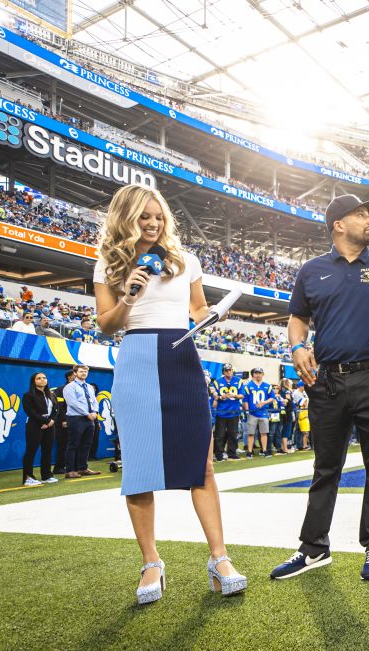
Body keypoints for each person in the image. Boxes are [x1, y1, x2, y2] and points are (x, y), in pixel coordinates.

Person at [91, 183, 245, 605]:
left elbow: (195, 309)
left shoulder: (186, 260)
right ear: (126, 218)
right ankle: (151, 563)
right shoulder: (108, 261)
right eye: (145, 217)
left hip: (182, 357)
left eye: (159, 217)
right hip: (136, 356)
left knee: (203, 464)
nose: (154, 224)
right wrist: (128, 296)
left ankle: (219, 559)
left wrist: (210, 314)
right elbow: (107, 324)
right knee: (139, 467)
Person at [270, 194, 369, 583]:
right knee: (325, 467)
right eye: (362, 215)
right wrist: (297, 347)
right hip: (326, 380)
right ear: (338, 225)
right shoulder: (311, 270)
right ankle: (314, 547)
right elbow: (298, 318)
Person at [61, 365, 101, 480]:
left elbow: (94, 401)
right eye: (81, 371)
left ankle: (83, 468)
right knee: (73, 444)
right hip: (76, 418)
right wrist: (87, 413)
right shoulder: (70, 387)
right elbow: (72, 403)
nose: (84, 373)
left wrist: (95, 412)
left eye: (85, 371)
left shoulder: (89, 387)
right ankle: (70, 471)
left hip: (90, 418)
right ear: (75, 373)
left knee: (87, 444)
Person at [20, 371, 58, 486]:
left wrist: (51, 421)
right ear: (34, 381)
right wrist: (45, 421)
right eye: (39, 378)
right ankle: (28, 477)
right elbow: (30, 412)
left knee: (47, 451)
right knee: (31, 451)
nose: (42, 380)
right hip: (34, 425)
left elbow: (56, 410)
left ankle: (46, 475)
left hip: (50, 426)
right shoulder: (28, 395)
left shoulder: (52, 394)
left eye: (44, 377)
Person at [212, 364, 244, 461]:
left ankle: (232, 453)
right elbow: (214, 394)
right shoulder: (217, 382)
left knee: (233, 434)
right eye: (226, 370)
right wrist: (221, 397)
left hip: (234, 412)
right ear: (223, 372)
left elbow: (242, 395)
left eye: (230, 370)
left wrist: (234, 395)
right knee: (220, 435)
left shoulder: (239, 381)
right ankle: (218, 454)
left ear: (232, 371)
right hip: (221, 412)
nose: (228, 372)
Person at [243, 368, 277, 458]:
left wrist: (264, 402)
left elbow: (272, 397)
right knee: (250, 433)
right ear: (253, 374)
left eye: (260, 373)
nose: (258, 375)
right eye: (256, 373)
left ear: (263, 374)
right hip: (252, 413)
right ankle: (250, 452)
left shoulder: (267, 385)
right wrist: (247, 411)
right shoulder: (248, 386)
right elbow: (245, 400)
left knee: (264, 433)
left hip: (263, 412)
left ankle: (264, 450)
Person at [52, 369, 73, 474]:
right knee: (62, 445)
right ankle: (58, 467)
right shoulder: (61, 389)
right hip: (63, 423)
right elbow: (59, 407)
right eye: (76, 374)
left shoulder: (79, 388)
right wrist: (64, 420)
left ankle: (72, 466)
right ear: (70, 377)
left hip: (76, 421)